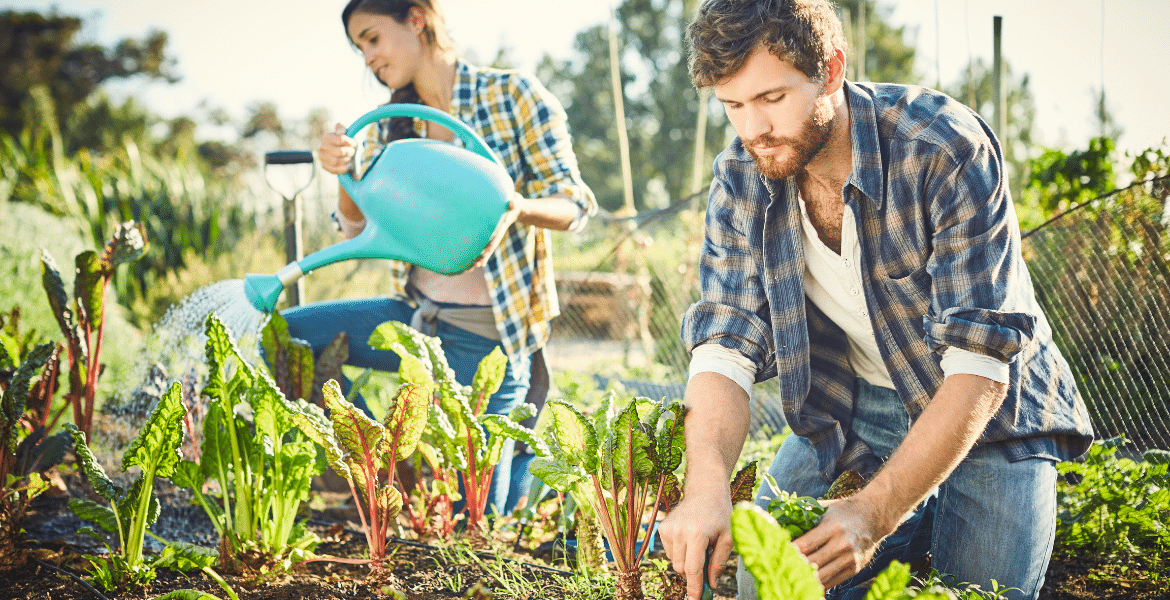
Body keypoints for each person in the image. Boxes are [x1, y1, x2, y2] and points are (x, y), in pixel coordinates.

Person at [656, 1, 1094, 599]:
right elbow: (724, 346)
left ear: (831, 71)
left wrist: (875, 512)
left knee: (979, 591)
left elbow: (979, 364)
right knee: (768, 584)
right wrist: (705, 484)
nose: (753, 128)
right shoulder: (741, 174)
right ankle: (914, 524)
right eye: (733, 105)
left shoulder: (940, 146)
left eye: (772, 99)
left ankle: (920, 519)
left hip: (988, 413)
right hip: (858, 405)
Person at [287, 0, 596, 518]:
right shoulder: (396, 123)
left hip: (487, 342)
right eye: (359, 47)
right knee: (286, 336)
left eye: (372, 38)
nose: (367, 58)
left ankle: (496, 493)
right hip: (411, 321)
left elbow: (575, 204)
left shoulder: (513, 96)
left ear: (416, 19)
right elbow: (360, 226)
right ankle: (384, 468)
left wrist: (517, 207)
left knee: (472, 520)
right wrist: (343, 174)